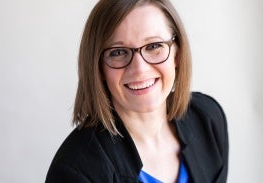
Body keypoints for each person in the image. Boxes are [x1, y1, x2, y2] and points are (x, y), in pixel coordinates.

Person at [45, 0, 229, 182]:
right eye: (118, 52)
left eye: (154, 46)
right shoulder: (75, 171)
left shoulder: (208, 119)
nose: (139, 69)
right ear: (98, 67)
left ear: (177, 55)